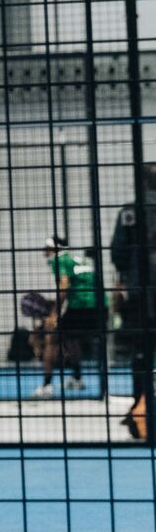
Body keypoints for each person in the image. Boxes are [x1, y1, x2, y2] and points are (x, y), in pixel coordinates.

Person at [111, 166, 156, 438]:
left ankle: (141, 407)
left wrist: (128, 275)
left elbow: (118, 252)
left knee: (141, 353)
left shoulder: (130, 212)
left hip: (140, 292)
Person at [30, 235, 101, 400]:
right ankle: (77, 378)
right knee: (71, 338)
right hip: (99, 305)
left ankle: (46, 386)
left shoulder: (58, 260)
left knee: (52, 338)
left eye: (47, 248)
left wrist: (54, 313)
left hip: (80, 305)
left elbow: (64, 285)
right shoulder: (77, 259)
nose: (44, 251)